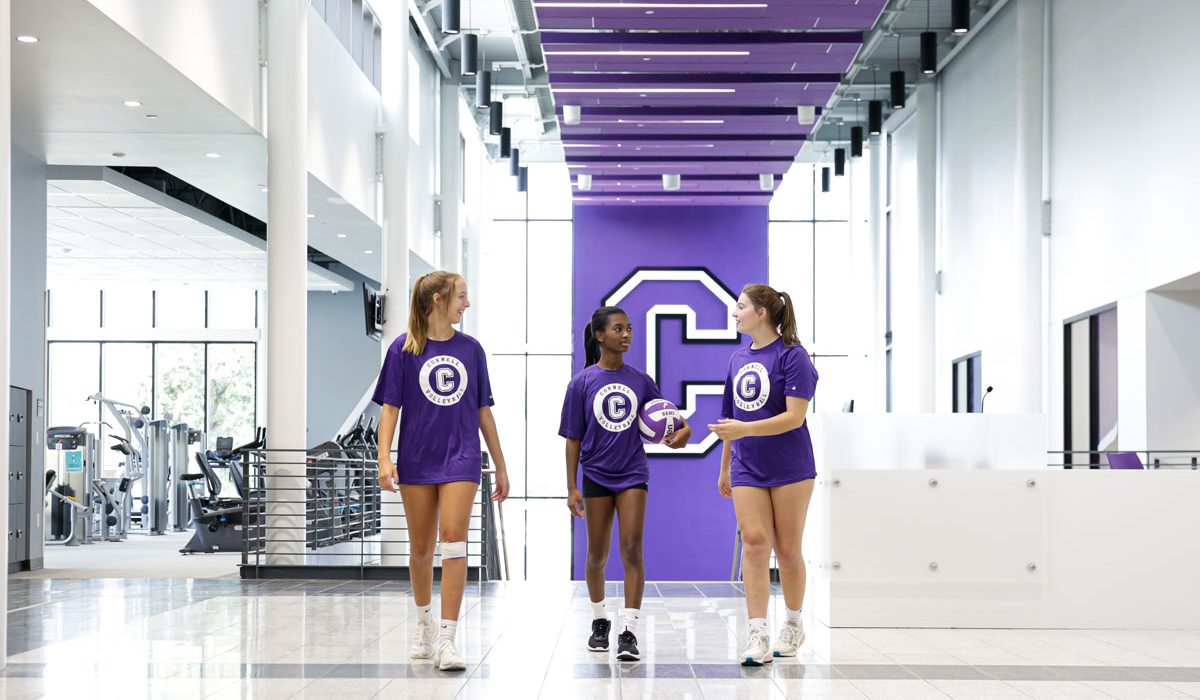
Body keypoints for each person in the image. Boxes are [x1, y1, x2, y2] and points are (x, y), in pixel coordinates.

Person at [374, 271, 510, 672]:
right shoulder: (403, 349)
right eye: (462, 297)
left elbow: (484, 411)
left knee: (453, 542)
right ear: (438, 299)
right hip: (417, 458)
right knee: (420, 549)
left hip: (461, 459)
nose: (467, 304)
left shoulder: (472, 350)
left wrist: (500, 465)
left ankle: (449, 638)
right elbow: (389, 410)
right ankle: (424, 624)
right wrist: (385, 457)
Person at [559, 306, 692, 661]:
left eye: (629, 329)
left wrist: (685, 432)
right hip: (596, 475)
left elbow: (672, 419)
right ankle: (600, 622)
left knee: (632, 548)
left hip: (633, 474)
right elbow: (572, 438)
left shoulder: (641, 380)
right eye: (619, 329)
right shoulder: (582, 383)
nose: (627, 334)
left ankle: (630, 630)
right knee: (597, 556)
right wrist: (572, 486)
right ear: (600, 336)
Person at [708, 284, 818, 666]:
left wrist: (743, 431)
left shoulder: (793, 356)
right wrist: (726, 465)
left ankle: (792, 623)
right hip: (747, 466)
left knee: (787, 550)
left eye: (740, 307)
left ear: (763, 313)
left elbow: (794, 417)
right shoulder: (737, 359)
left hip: (790, 466)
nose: (735, 313)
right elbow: (729, 421)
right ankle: (757, 632)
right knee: (754, 543)